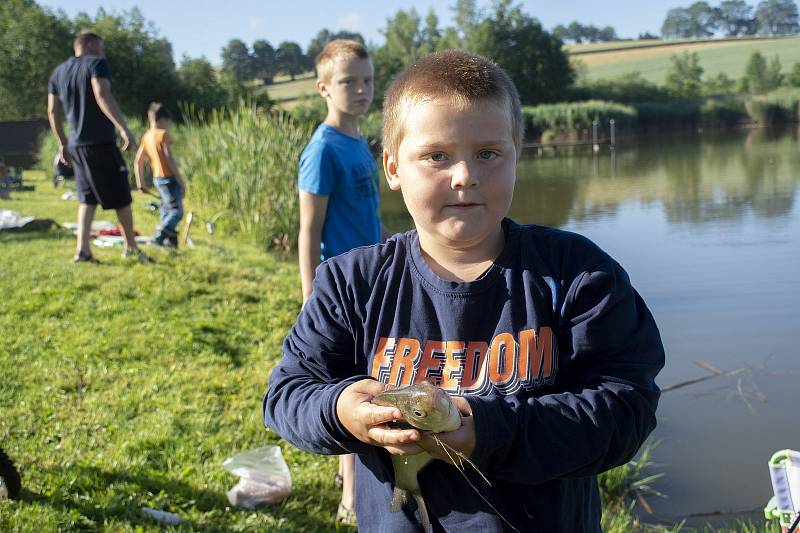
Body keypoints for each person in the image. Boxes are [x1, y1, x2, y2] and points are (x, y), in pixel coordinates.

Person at [264, 50, 665, 532]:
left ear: (517, 154)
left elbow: (626, 406)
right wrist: (340, 408)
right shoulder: (351, 284)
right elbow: (288, 395)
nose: (464, 176)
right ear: (392, 168)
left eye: (488, 154)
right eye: (436, 156)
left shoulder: (578, 275)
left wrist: (488, 431)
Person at [296, 38, 387, 525]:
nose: (361, 90)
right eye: (349, 81)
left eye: (367, 80)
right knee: (351, 383)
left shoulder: (356, 142)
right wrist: (312, 299)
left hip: (372, 280)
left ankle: (346, 474)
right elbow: (309, 231)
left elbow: (367, 214)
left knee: (364, 373)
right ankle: (352, 495)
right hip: (340, 291)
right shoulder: (322, 150)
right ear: (323, 88)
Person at [47, 31, 149, 263]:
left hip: (77, 146)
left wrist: (62, 143)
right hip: (101, 142)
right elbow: (101, 93)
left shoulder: (58, 72)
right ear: (90, 45)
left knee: (87, 198)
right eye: (101, 47)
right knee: (122, 197)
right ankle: (131, 248)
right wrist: (123, 128)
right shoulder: (97, 63)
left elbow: (52, 111)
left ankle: (82, 250)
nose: (103, 52)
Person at [134, 102, 185, 247]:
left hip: (157, 179)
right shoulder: (163, 135)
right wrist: (180, 180)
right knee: (176, 212)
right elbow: (169, 159)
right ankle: (158, 236)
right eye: (168, 122)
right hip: (169, 178)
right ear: (163, 119)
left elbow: (138, 161)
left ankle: (168, 242)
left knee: (166, 209)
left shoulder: (147, 135)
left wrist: (140, 183)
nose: (168, 125)